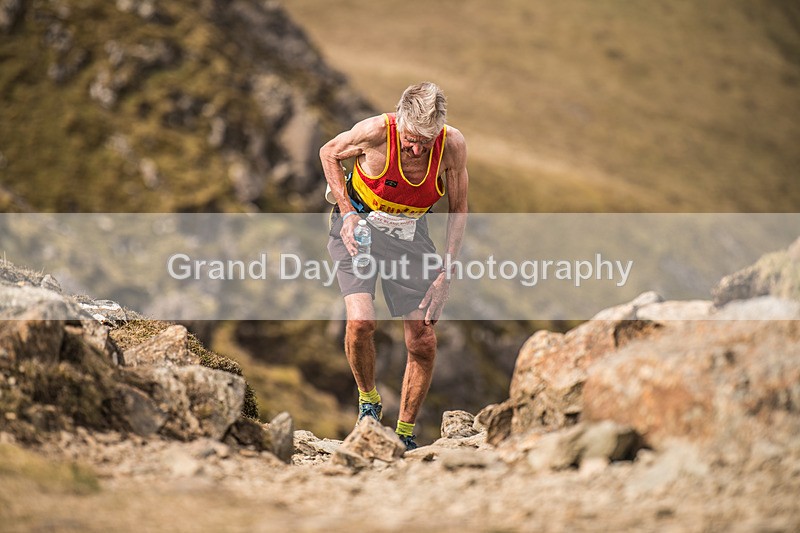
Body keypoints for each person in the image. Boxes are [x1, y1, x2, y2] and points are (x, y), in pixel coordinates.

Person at [320, 82, 469, 451]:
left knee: (423, 340)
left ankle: (405, 433)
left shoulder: (452, 146)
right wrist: (347, 213)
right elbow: (328, 152)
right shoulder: (374, 133)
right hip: (360, 228)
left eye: (427, 141)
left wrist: (446, 274)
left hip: (409, 237)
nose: (418, 149)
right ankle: (369, 403)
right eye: (412, 139)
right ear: (400, 119)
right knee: (361, 323)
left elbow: (459, 209)